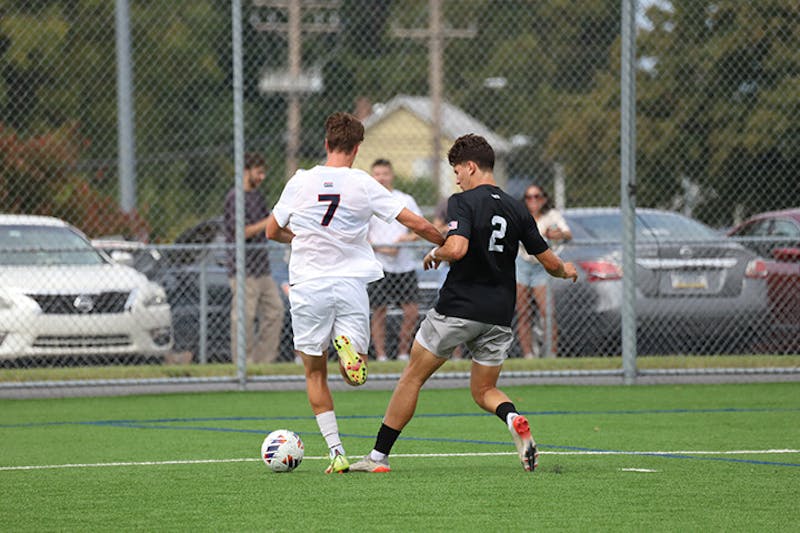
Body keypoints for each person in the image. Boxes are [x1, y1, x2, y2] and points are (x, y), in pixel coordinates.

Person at [349, 134, 578, 474]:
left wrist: (435, 253)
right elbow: (549, 262)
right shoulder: (518, 208)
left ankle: (378, 457)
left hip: (457, 308)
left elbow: (456, 248)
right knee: (484, 389)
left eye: (457, 170)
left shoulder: (463, 201)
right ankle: (512, 416)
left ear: (471, 167)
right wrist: (566, 270)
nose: (456, 178)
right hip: (499, 313)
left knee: (411, 378)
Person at [265, 112, 444, 474]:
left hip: (308, 284)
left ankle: (336, 452)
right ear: (357, 148)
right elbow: (414, 222)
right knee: (354, 375)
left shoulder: (300, 180)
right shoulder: (362, 184)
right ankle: (349, 352)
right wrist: (446, 242)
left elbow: (272, 230)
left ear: (326, 144)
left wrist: (301, 238)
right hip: (350, 283)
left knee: (315, 373)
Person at [223, 152, 285, 364]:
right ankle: (243, 363)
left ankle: (263, 362)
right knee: (244, 317)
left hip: (262, 268)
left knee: (275, 311)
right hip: (243, 270)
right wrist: (269, 220)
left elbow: (267, 228)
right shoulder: (234, 198)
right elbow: (242, 232)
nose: (262, 176)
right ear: (246, 171)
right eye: (258, 172)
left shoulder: (257, 197)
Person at [367, 159, 421, 362]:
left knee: (411, 311)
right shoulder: (368, 201)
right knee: (379, 311)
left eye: (385, 173)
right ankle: (381, 355)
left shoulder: (405, 199)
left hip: (404, 266)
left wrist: (402, 241)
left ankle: (403, 352)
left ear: (392, 175)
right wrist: (382, 249)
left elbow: (417, 229)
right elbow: (363, 234)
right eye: (377, 173)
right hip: (379, 266)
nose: (381, 177)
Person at [515, 184, 572, 359]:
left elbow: (567, 233)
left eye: (537, 196)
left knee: (547, 312)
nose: (533, 201)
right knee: (523, 312)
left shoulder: (551, 216)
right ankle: (528, 355)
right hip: (523, 263)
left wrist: (557, 235)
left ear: (544, 199)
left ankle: (551, 354)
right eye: (529, 197)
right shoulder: (520, 216)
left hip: (542, 266)